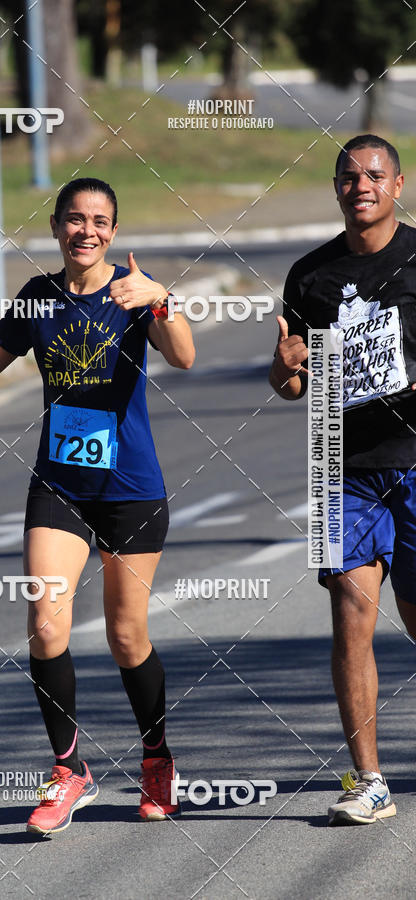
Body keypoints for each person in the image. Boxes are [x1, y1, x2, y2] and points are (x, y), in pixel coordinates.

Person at [0, 177, 195, 834]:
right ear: (57, 226)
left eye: (99, 221)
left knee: (126, 637)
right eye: (74, 219)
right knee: (46, 623)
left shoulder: (133, 292)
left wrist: (163, 299)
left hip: (131, 490)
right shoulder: (38, 297)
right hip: (59, 487)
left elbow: (185, 356)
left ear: (112, 232)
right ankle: (69, 771)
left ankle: (156, 760)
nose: (86, 231)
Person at [269, 134, 416, 826]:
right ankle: (369, 781)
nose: (361, 185)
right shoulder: (309, 277)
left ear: (398, 184)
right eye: (349, 177)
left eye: (374, 175)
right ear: (336, 189)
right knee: (350, 619)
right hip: (341, 465)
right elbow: (290, 384)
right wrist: (287, 368)